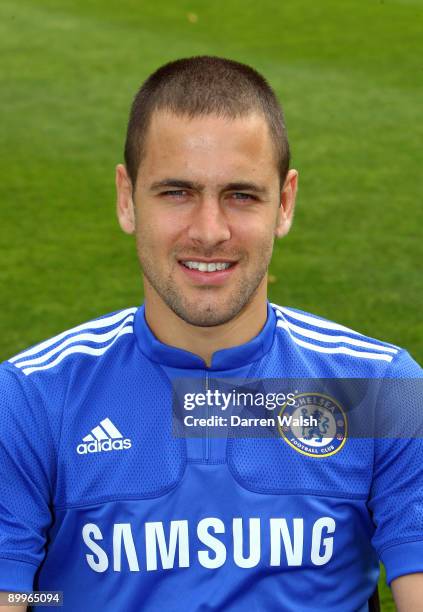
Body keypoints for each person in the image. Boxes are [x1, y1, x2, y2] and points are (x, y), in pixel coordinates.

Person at [0, 56, 422, 612]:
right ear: (127, 198)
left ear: (285, 202)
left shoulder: (378, 389)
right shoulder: (34, 398)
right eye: (176, 192)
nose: (209, 232)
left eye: (241, 195)